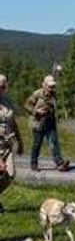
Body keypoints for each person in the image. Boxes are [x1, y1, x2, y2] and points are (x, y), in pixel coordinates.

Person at [24, 75, 69, 172]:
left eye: (53, 86)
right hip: (38, 123)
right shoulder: (37, 94)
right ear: (44, 85)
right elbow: (27, 105)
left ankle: (59, 163)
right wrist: (36, 111)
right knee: (37, 144)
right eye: (50, 86)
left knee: (54, 142)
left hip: (50, 123)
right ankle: (34, 163)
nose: (52, 88)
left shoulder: (53, 95)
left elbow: (54, 107)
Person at [0, 74, 24, 212]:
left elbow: (13, 123)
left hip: (7, 144)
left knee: (10, 173)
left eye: (3, 87)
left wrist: (20, 141)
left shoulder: (7, 102)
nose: (1, 89)